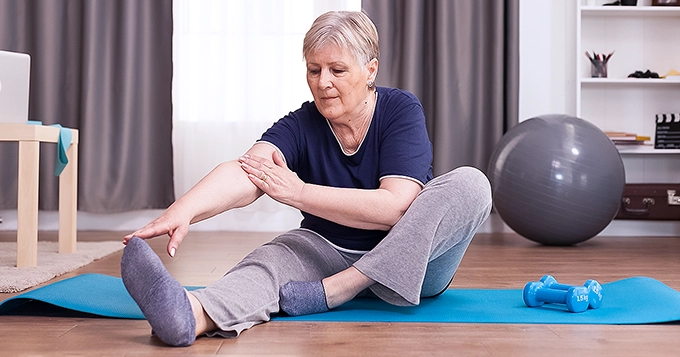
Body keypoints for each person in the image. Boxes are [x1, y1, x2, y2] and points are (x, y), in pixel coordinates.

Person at [120, 10, 492, 347]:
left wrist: (299, 193)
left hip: (414, 264)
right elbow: (248, 170)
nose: (323, 82)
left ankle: (345, 288)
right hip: (325, 251)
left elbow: (394, 208)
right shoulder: (302, 122)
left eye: (337, 70)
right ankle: (191, 313)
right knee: (269, 260)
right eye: (314, 70)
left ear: (371, 70)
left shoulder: (399, 109)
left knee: (471, 183)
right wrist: (182, 211)